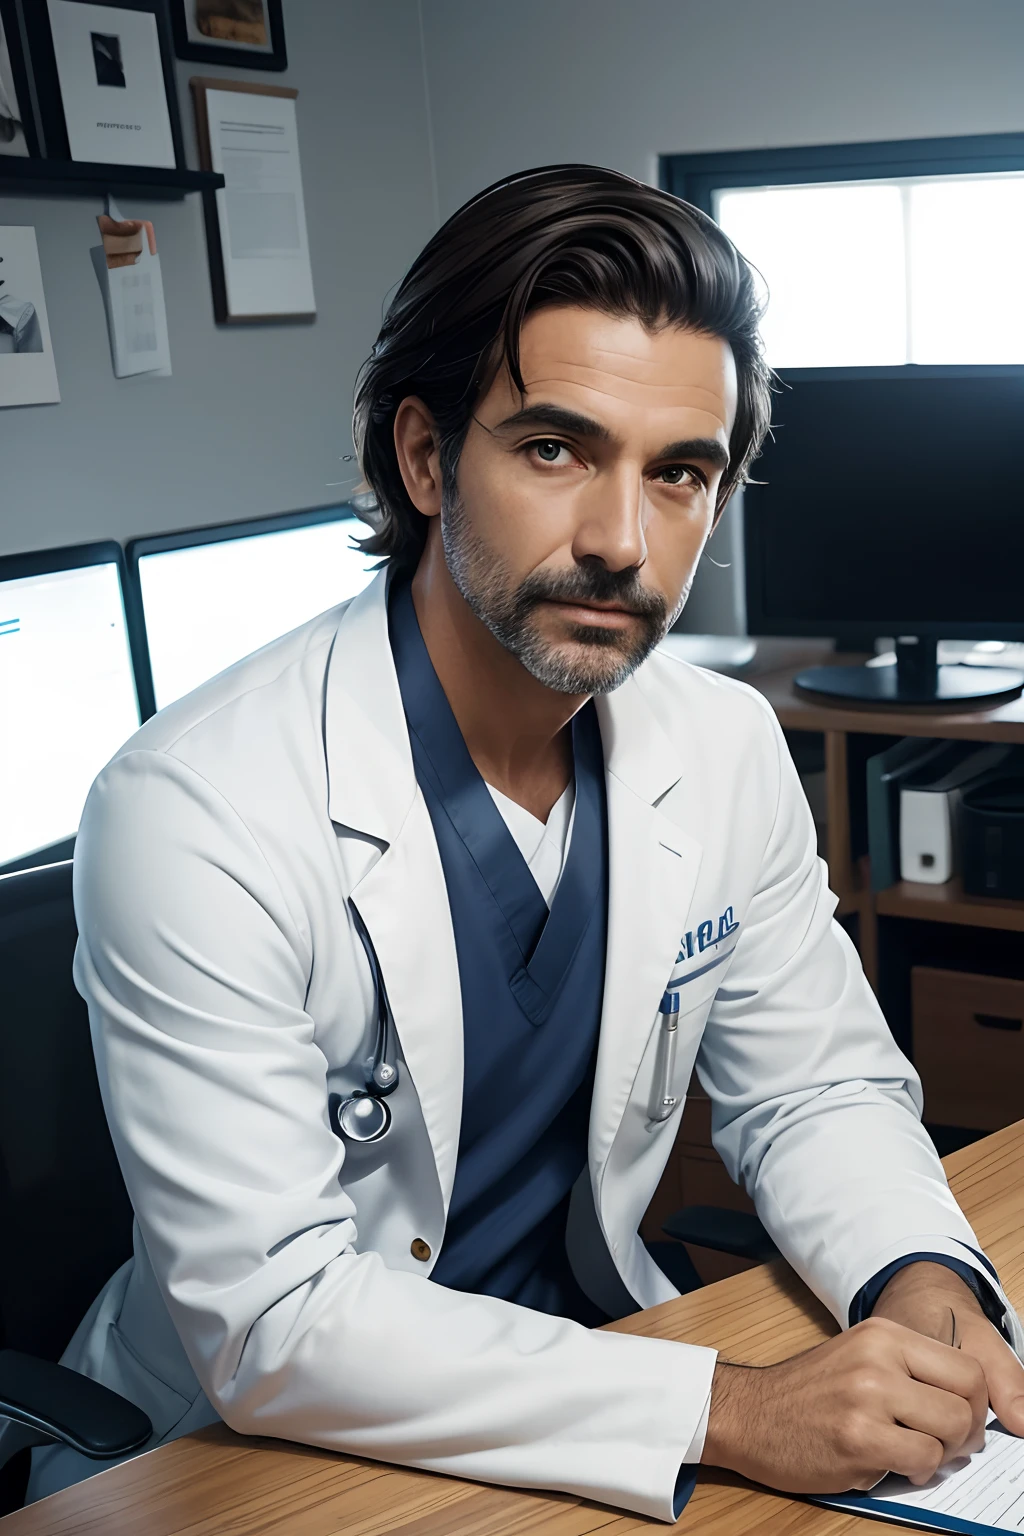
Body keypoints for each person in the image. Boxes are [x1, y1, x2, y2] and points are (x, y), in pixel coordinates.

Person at [30, 165, 1024, 1520]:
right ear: (427, 457)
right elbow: (275, 1318)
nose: (624, 540)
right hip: (249, 1453)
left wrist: (921, 1275)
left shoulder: (722, 748)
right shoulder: (196, 808)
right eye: (557, 450)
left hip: (597, 1376)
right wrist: (733, 1409)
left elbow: (816, 1091)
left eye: (681, 474)